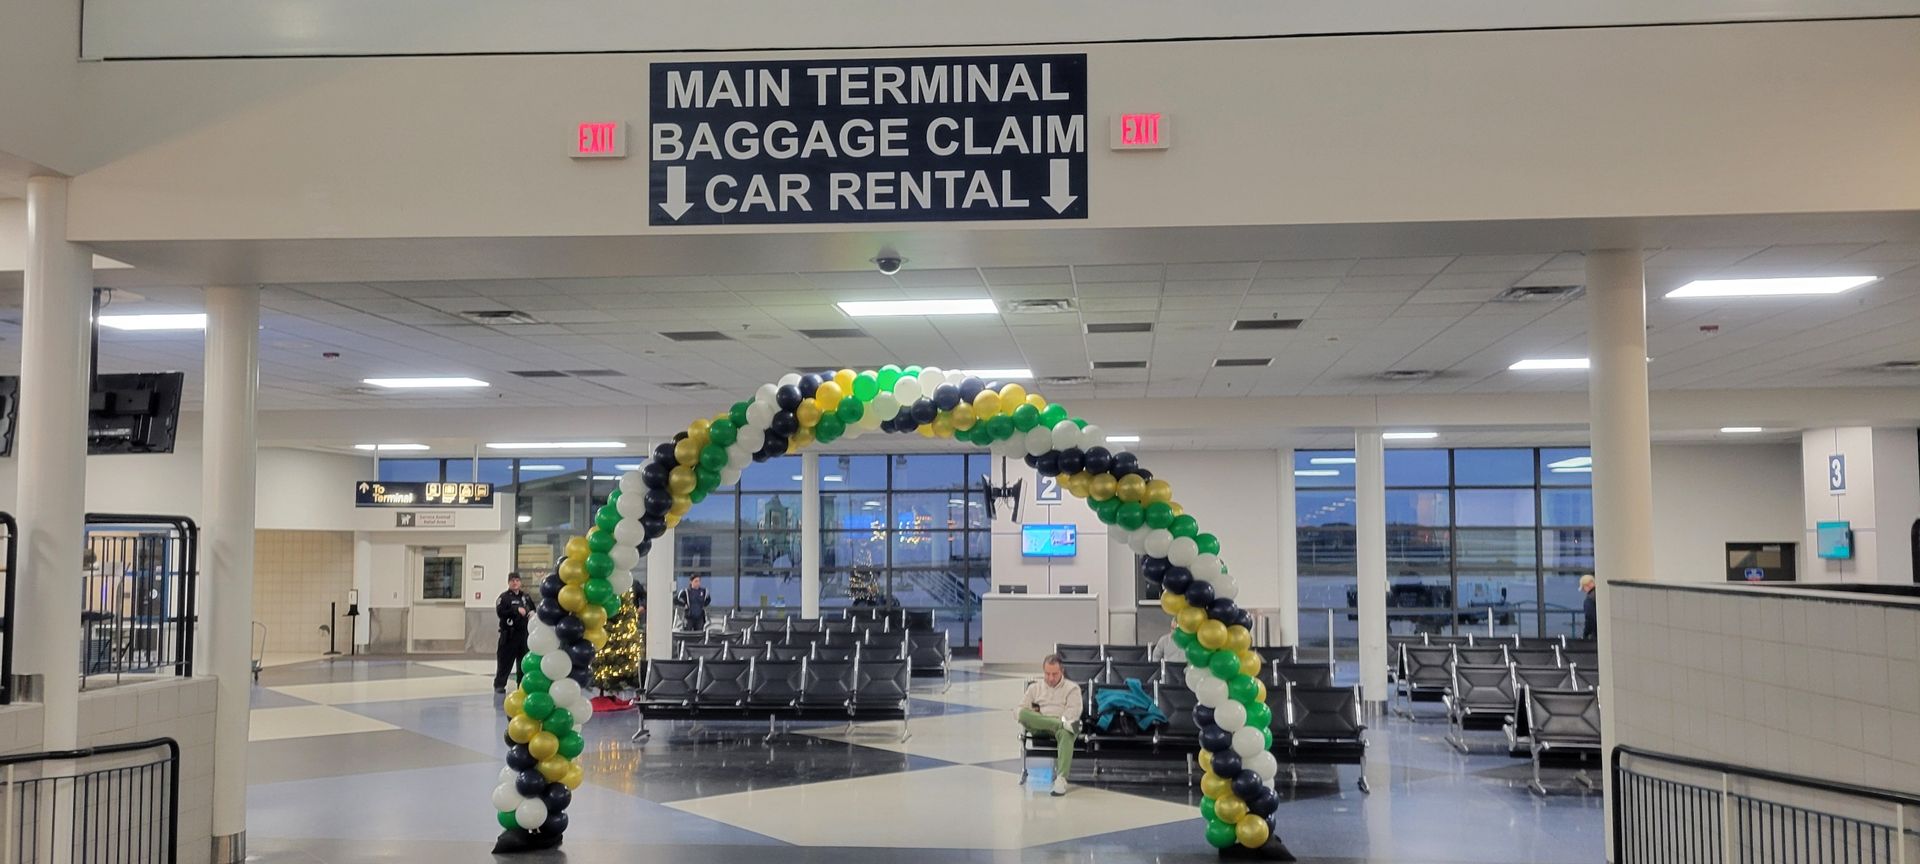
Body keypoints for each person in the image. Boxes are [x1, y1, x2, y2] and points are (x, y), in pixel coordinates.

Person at [1018, 654, 1083, 796]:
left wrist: (1049, 719)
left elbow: (1072, 714)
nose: (1051, 678)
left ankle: (1061, 779)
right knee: (1022, 714)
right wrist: (1051, 721)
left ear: (1062, 671)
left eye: (1055, 674)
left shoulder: (1072, 688)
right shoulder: (1035, 688)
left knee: (1067, 731)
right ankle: (1056, 724)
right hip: (1042, 727)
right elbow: (1020, 711)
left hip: (1062, 729)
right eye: (1047, 674)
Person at [493, 572, 533, 693]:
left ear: (520, 582)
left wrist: (531, 613)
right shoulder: (504, 597)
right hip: (509, 634)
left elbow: (533, 609)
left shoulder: (525, 597)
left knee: (523, 662)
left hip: (523, 634)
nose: (515, 583)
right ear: (509, 583)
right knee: (505, 661)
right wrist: (515, 610)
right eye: (512, 581)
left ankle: (521, 684)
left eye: (517, 580)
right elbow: (501, 612)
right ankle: (500, 684)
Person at [1580, 574, 1598, 639]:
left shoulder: (1589, 600)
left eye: (1583, 588)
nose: (1584, 591)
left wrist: (1585, 634)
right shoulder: (1600, 594)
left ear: (1586, 586)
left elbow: (1589, 619)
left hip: (1595, 634)